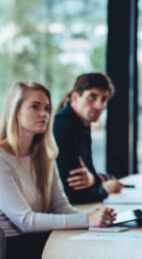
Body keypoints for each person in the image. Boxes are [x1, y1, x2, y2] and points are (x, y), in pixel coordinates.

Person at [0, 82, 115, 259]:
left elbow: (60, 206)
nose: (44, 114)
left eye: (47, 108)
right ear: (15, 110)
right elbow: (25, 221)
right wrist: (86, 220)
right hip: (14, 248)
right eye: (35, 107)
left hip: (42, 239)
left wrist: (95, 217)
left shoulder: (44, 155)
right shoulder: (2, 158)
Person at [54, 73, 123, 204]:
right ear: (75, 97)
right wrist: (105, 188)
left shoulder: (83, 125)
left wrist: (94, 179)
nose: (99, 105)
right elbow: (75, 194)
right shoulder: (63, 127)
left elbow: (90, 175)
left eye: (104, 99)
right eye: (92, 96)